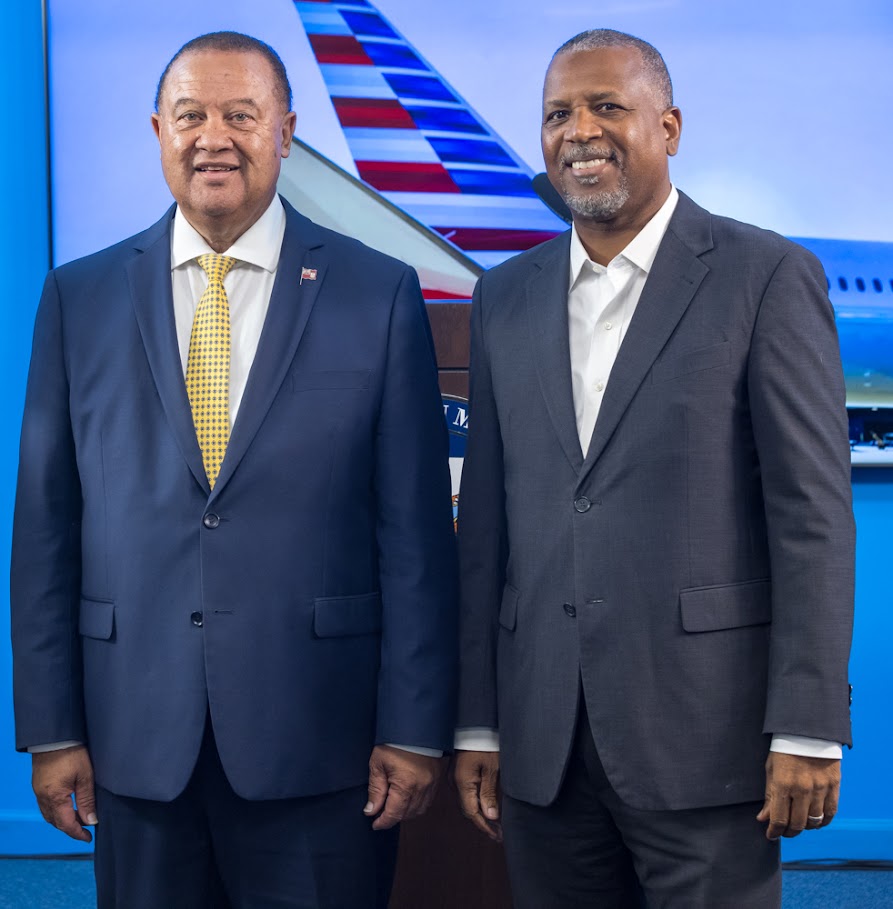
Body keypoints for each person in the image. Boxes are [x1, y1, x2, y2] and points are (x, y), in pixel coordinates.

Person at [11, 31, 457, 909]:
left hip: (321, 741)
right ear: (158, 131)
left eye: (241, 116)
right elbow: (46, 529)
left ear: (286, 131)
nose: (212, 138)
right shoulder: (78, 297)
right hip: (135, 738)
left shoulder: (376, 291)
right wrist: (52, 727)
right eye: (190, 116)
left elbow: (412, 535)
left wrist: (413, 727)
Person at [454, 28, 854, 908]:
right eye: (557, 114)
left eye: (607, 106)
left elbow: (812, 518)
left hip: (706, 736)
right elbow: (486, 527)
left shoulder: (764, 275)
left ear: (667, 127)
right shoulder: (503, 296)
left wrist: (808, 723)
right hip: (542, 740)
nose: (578, 132)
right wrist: (477, 718)